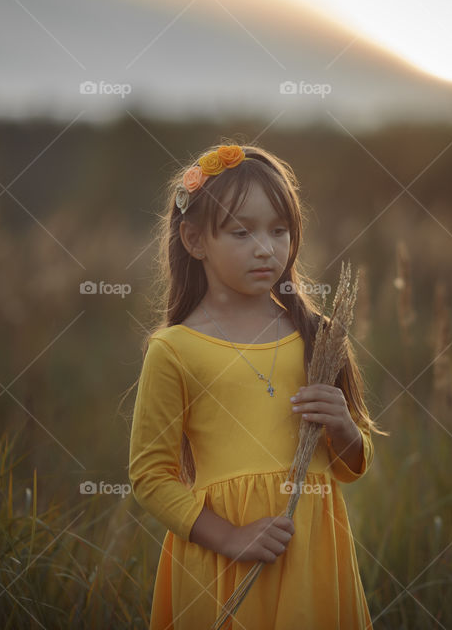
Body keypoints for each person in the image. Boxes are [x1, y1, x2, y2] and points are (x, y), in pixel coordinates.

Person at [128, 140, 386, 629]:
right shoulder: (176, 349)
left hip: (310, 549)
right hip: (225, 561)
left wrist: (344, 428)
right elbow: (150, 476)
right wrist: (228, 537)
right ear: (194, 240)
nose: (265, 248)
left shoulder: (317, 334)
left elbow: (354, 462)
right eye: (241, 232)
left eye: (279, 230)